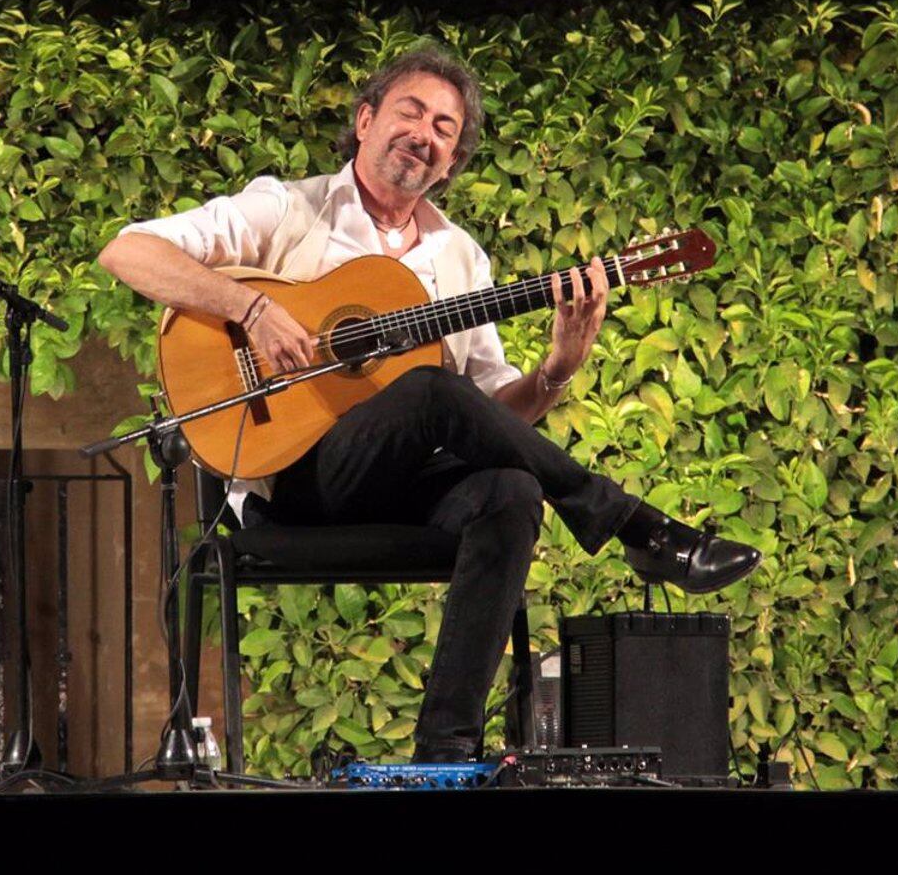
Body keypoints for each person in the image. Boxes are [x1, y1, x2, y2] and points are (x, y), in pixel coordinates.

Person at [97, 44, 760, 762]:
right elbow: (128, 252)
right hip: (290, 478)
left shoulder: (460, 258)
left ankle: (445, 752)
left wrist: (557, 371)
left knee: (509, 486)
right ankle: (637, 528)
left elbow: (491, 421)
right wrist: (250, 308)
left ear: (451, 162)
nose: (425, 133)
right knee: (426, 388)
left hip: (404, 481)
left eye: (445, 128)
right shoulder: (286, 208)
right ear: (364, 119)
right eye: (411, 111)